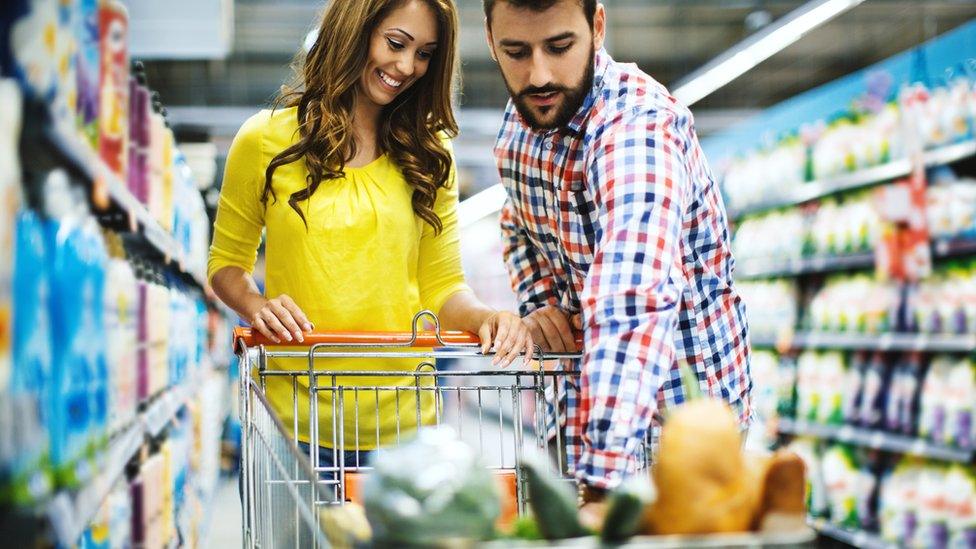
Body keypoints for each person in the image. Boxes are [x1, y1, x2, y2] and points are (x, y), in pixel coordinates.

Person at [209, 0, 533, 472]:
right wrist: (257, 306)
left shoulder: (428, 154)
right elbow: (225, 265)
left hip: (405, 431)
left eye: (425, 53)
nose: (407, 67)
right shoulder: (264, 140)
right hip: (293, 425)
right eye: (396, 43)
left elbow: (441, 285)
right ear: (354, 31)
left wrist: (486, 317)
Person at [483, 0, 752, 503]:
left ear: (597, 26)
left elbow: (632, 296)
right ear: (490, 40)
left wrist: (602, 479)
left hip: (685, 432)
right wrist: (543, 304)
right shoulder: (519, 124)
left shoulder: (637, 126)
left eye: (560, 47)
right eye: (516, 52)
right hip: (577, 405)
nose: (538, 74)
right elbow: (517, 221)